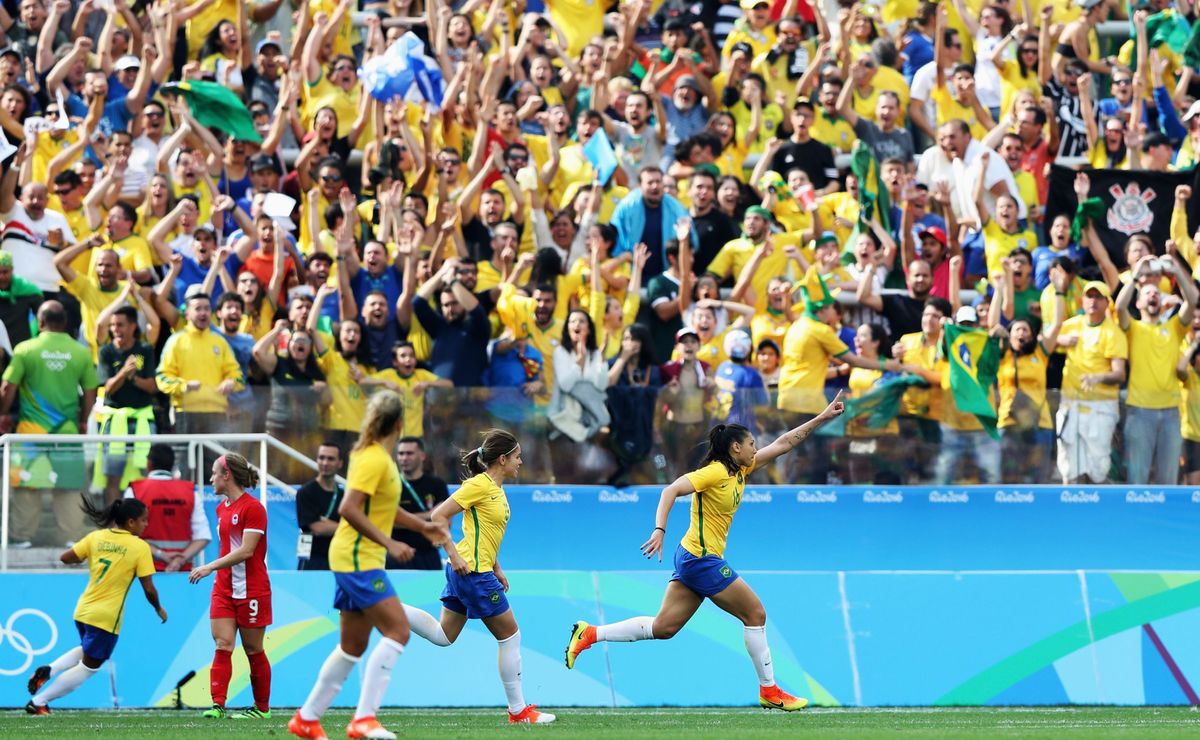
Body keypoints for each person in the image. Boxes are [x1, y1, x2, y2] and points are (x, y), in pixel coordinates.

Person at [564, 394, 846, 711]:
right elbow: (670, 489)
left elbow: (783, 443)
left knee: (664, 628)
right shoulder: (713, 472)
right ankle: (769, 690)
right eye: (751, 443)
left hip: (691, 558)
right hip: (701, 559)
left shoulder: (743, 468)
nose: (756, 447)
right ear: (735, 448)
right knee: (755, 614)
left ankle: (590, 633)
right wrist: (659, 530)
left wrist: (822, 417)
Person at [289, 391, 450, 740]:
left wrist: (423, 526)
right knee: (398, 631)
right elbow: (349, 508)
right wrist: (390, 542)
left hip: (356, 558)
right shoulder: (375, 459)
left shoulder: (376, 458)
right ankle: (364, 719)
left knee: (353, 645)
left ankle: (307, 718)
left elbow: (383, 508)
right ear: (399, 423)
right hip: (358, 559)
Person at [398, 429, 556, 725]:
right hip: (471, 571)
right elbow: (438, 516)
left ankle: (386, 607)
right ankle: (518, 711)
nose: (521, 462)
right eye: (518, 457)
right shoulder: (480, 485)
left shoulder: (495, 488)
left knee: (444, 636)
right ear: (503, 458)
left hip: (476, 569)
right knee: (510, 636)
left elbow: (485, 532)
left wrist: (497, 566)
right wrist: (454, 555)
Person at [25, 496, 166, 715]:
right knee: (90, 666)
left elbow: (66, 557)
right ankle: (40, 701)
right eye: (144, 520)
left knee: (88, 650)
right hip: (106, 617)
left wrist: (89, 556)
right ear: (130, 522)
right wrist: (158, 608)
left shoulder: (96, 537)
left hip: (83, 611)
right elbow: (148, 588)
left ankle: (49, 670)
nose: (146, 524)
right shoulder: (139, 547)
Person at [0, 301, 98, 547]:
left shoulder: (25, 349)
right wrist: (84, 420)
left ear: (40, 322)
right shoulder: (80, 352)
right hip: (67, 431)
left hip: (30, 432)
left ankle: (22, 537)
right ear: (64, 323)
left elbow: (8, 387)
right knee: (69, 486)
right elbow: (90, 392)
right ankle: (70, 538)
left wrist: (3, 413)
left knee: (27, 484)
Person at [187, 453, 273, 720]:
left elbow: (247, 551)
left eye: (214, 473)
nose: (211, 478)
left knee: (253, 649)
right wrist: (216, 572)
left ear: (227, 475)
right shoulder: (221, 508)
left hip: (252, 589)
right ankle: (217, 706)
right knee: (223, 644)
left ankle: (261, 709)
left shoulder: (254, 508)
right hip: (224, 588)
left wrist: (209, 566)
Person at [1055, 281, 1128, 484]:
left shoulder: (1113, 333)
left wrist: (1098, 377)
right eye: (1089, 296)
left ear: (1106, 303)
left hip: (1100, 406)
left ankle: (1098, 511)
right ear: (1083, 300)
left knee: (1098, 466)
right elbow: (1045, 341)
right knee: (1069, 465)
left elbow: (1119, 374)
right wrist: (1061, 340)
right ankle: (1070, 510)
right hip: (1070, 404)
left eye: (1098, 297)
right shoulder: (1071, 324)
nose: (1093, 301)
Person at [125, 444, 211, 572]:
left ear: (149, 464)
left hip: (143, 572)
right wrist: (179, 561)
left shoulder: (135, 491)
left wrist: (161, 554)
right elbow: (203, 536)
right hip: (182, 572)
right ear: (172, 465)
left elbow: (126, 536)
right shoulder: (190, 492)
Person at [390, 436, 449, 571]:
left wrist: (403, 519)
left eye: (409, 453)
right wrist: (429, 515)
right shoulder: (390, 485)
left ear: (422, 456)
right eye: (401, 454)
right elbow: (388, 520)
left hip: (429, 556)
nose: (404, 458)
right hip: (398, 555)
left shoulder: (437, 485)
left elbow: (444, 523)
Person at [295, 442, 344, 571]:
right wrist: (345, 527)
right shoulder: (305, 492)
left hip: (339, 559)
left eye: (331, 459)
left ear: (340, 463)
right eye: (321, 457)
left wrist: (326, 522)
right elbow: (318, 528)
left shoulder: (343, 495)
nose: (325, 463)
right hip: (312, 560)